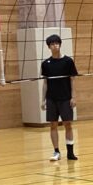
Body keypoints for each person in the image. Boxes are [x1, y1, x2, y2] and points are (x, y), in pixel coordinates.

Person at [40, 34, 78, 162]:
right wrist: (43, 100)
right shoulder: (45, 64)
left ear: (60, 45)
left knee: (68, 124)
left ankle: (70, 152)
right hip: (51, 99)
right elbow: (45, 83)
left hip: (66, 98)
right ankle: (56, 152)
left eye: (57, 43)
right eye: (52, 44)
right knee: (53, 125)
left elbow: (72, 80)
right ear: (49, 47)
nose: (55, 46)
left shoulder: (68, 61)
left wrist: (73, 97)